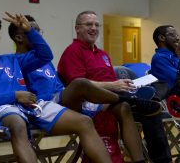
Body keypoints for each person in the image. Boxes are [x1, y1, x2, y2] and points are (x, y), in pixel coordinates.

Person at [0, 10, 112, 163]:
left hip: (32, 106)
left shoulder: (12, 60)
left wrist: (29, 31)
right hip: (3, 108)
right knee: (18, 124)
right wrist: (15, 96)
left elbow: (45, 55)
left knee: (84, 122)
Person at [9, 14, 156, 163]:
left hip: (67, 101)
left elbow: (47, 57)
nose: (37, 35)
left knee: (123, 108)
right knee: (81, 83)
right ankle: (133, 100)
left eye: (38, 31)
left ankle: (140, 160)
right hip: (45, 106)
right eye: (32, 31)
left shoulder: (45, 62)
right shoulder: (15, 62)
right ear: (19, 37)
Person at [58, 10, 171, 163]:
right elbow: (79, 86)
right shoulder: (72, 52)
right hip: (85, 102)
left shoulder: (103, 54)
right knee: (128, 105)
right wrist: (113, 85)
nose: (94, 28)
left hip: (111, 100)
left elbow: (112, 82)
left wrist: (125, 85)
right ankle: (135, 101)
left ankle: (142, 160)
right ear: (77, 28)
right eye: (88, 24)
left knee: (136, 109)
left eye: (97, 25)